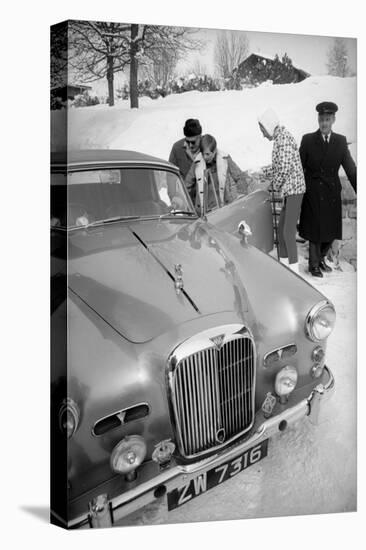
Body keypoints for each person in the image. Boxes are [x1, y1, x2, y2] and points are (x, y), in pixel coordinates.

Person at [298, 102, 357, 277]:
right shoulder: (307, 140)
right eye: (322, 119)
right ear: (318, 120)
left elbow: (351, 169)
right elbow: (299, 167)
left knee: (331, 230)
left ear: (333, 120)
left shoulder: (340, 141)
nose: (324, 123)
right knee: (315, 230)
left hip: (331, 192)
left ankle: (321, 258)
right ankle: (313, 264)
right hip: (313, 191)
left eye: (328, 119)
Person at [258, 108, 305, 273]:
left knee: (288, 232)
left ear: (269, 126)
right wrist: (263, 172)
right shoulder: (280, 139)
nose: (263, 134)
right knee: (281, 230)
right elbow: (279, 166)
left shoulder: (283, 139)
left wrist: (273, 186)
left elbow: (283, 170)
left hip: (294, 191)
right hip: (290, 191)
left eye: (263, 130)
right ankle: (285, 268)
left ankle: (294, 272)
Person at [184, 134, 249, 213]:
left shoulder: (225, 158)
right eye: (203, 154)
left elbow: (240, 177)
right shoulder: (197, 163)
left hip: (224, 208)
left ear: (214, 151)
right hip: (204, 212)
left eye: (208, 154)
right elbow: (186, 185)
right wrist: (182, 202)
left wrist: (241, 195)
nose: (205, 157)